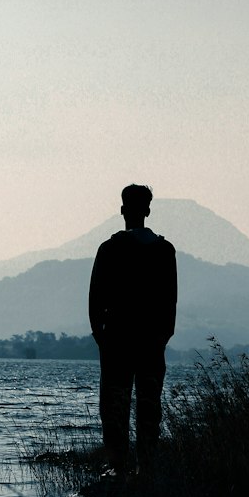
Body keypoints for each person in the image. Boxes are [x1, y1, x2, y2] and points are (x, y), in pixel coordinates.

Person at [89, 184, 177, 475]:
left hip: (117, 340)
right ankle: (146, 466)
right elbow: (170, 300)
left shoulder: (110, 249)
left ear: (123, 210)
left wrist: (100, 335)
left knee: (115, 405)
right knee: (149, 406)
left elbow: (95, 298)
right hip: (151, 341)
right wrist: (163, 336)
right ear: (148, 211)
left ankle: (117, 467)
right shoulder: (164, 251)